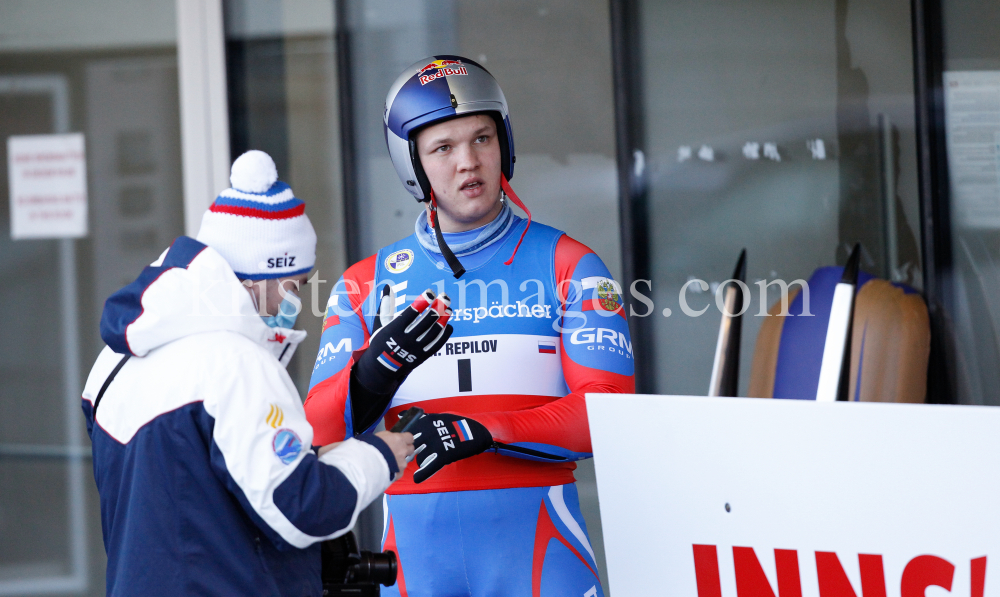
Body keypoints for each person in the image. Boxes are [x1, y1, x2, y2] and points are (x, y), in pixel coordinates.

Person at [304, 57, 634, 596]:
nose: (469, 162)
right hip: (414, 564)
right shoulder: (367, 285)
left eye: (482, 137)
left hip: (539, 557)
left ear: (504, 141)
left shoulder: (570, 265)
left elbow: (608, 413)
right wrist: (372, 373)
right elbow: (316, 435)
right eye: (443, 148)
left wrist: (488, 431)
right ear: (412, 163)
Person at [82, 150, 414, 597]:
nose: (293, 305)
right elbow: (299, 509)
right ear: (259, 276)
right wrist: (381, 454)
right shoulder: (237, 365)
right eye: (294, 285)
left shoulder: (114, 360)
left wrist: (314, 458)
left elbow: (195, 493)